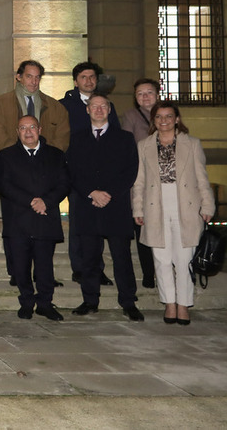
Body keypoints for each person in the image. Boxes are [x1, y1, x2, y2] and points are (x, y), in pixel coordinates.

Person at [132, 101, 216, 326]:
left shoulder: (192, 144)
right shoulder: (144, 145)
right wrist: (137, 208)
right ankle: (169, 303)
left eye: (169, 116)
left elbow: (202, 178)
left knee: (184, 259)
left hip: (186, 205)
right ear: (154, 120)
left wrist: (208, 206)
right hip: (155, 205)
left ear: (177, 119)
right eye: (159, 117)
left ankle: (183, 304)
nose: (164, 120)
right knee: (161, 259)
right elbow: (139, 181)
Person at [67, 94, 145, 322]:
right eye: (94, 106)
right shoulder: (77, 139)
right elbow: (72, 171)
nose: (99, 109)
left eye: (103, 106)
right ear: (88, 110)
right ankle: (90, 300)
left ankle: (128, 302)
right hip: (87, 205)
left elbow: (131, 170)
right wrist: (92, 192)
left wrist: (108, 194)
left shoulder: (125, 138)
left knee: (122, 258)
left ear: (109, 109)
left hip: (115, 206)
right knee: (89, 258)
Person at [0, 115, 69, 321]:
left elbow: (64, 183)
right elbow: (4, 184)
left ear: (39, 129)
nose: (28, 132)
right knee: (21, 267)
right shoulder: (6, 155)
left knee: (44, 266)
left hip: (45, 218)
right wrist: (31, 201)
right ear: (17, 132)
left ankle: (45, 304)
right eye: (23, 128)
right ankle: (27, 302)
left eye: (31, 127)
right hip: (18, 219)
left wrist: (45, 201)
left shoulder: (55, 155)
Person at [59, 61, 120, 286]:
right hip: (76, 174)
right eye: (84, 77)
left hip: (101, 175)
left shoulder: (106, 105)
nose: (89, 81)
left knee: (98, 222)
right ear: (76, 81)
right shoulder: (64, 106)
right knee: (78, 222)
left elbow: (115, 136)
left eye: (92, 77)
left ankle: (97, 268)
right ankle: (79, 268)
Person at [120, 78, 161, 288]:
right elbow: (126, 147)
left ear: (158, 93)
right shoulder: (130, 116)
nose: (145, 97)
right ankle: (148, 272)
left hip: (166, 181)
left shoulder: (168, 114)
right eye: (140, 94)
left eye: (149, 92)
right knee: (143, 227)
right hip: (141, 180)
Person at [0, 60, 70, 152]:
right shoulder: (2, 103)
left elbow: (62, 136)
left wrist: (47, 154)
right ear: (19, 77)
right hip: (11, 159)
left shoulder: (55, 106)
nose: (34, 82)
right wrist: (16, 153)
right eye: (29, 76)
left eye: (37, 77)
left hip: (45, 161)